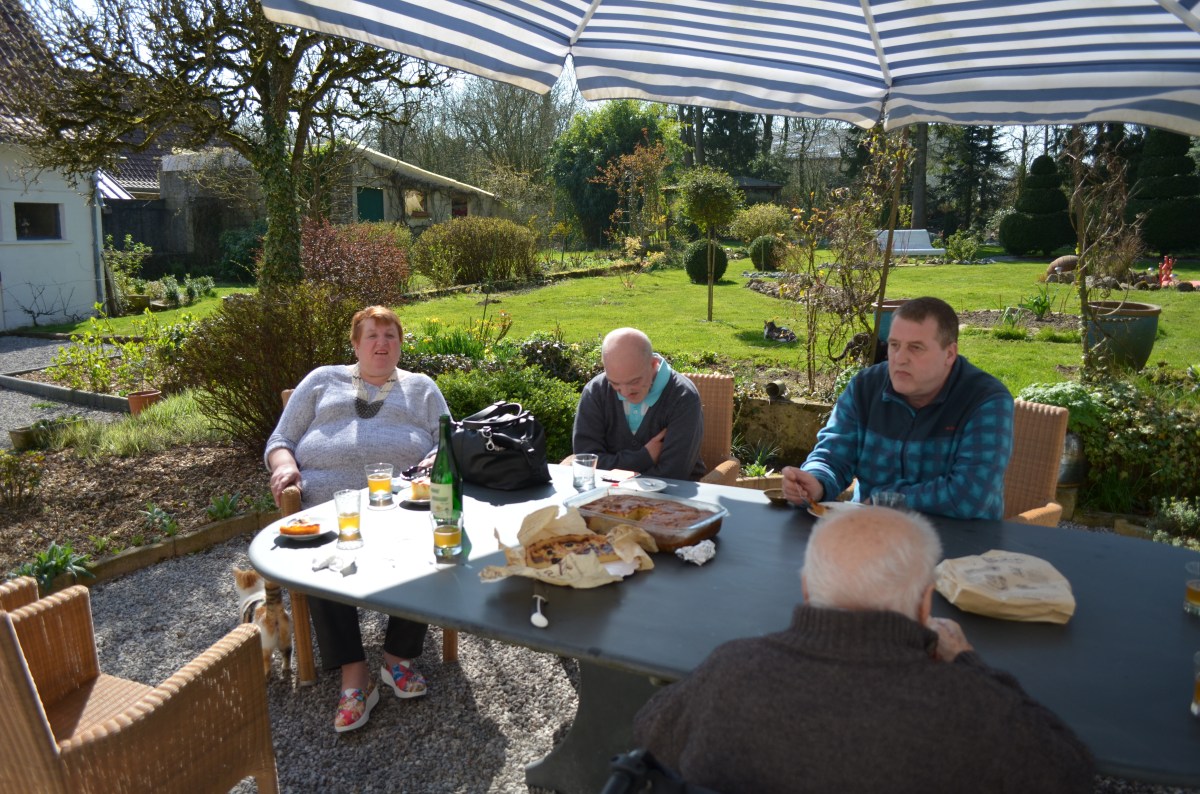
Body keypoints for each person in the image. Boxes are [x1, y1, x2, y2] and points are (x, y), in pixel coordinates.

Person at [633, 506, 1095, 793]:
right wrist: (968, 663)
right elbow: (1070, 773)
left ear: (807, 589)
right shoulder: (975, 710)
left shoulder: (731, 670)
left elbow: (652, 729)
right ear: (924, 606)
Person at [265, 305, 449, 733]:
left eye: (391, 336)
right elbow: (281, 439)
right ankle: (354, 675)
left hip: (402, 507)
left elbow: (447, 440)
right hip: (326, 509)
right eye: (372, 336)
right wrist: (283, 466)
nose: (382, 344)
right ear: (354, 343)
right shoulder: (321, 380)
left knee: (427, 547)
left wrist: (432, 462)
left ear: (401, 344)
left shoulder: (421, 388)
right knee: (318, 556)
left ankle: (397, 659)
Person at [782, 296, 1013, 519]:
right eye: (894, 345)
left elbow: (970, 496)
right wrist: (816, 480)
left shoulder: (985, 400)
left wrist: (887, 501)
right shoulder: (865, 387)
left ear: (949, 354)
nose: (900, 358)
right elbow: (832, 455)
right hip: (870, 535)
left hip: (963, 545)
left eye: (915, 348)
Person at [573, 327, 706, 480]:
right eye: (615, 383)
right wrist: (644, 457)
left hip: (674, 496)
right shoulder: (596, 391)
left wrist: (616, 474)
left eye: (634, 382)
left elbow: (672, 473)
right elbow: (587, 463)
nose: (624, 392)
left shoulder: (683, 397)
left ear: (653, 364)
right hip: (608, 495)